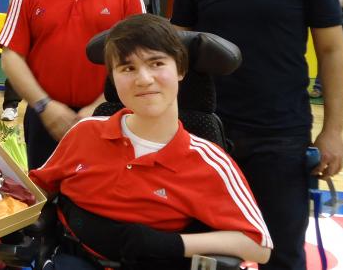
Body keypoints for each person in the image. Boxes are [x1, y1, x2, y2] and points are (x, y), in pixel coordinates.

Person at [171, 0, 343, 270]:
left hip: (280, 134)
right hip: (207, 132)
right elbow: (176, 50)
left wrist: (333, 131)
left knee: (282, 252)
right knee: (201, 250)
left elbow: (333, 50)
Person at [30, 14, 272, 268]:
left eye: (156, 63)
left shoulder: (209, 162)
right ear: (112, 79)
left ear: (180, 69)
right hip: (73, 258)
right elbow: (36, 191)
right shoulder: (84, 133)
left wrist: (171, 244)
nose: (143, 79)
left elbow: (259, 246)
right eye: (127, 68)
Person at [0, 0, 145, 170]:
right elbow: (11, 56)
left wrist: (99, 107)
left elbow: (140, 61)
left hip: (110, 115)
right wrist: (44, 105)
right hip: (45, 118)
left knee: (102, 201)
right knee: (47, 199)